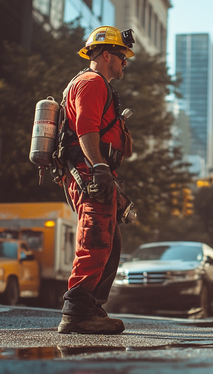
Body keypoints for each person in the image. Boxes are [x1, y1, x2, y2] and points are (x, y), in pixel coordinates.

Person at [57, 26, 135, 334]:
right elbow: (86, 130)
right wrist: (99, 167)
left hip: (97, 171)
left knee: (111, 241)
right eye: (121, 57)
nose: (124, 63)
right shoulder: (91, 82)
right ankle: (76, 313)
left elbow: (117, 142)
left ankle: (92, 308)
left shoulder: (102, 87)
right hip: (90, 172)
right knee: (96, 239)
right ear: (106, 56)